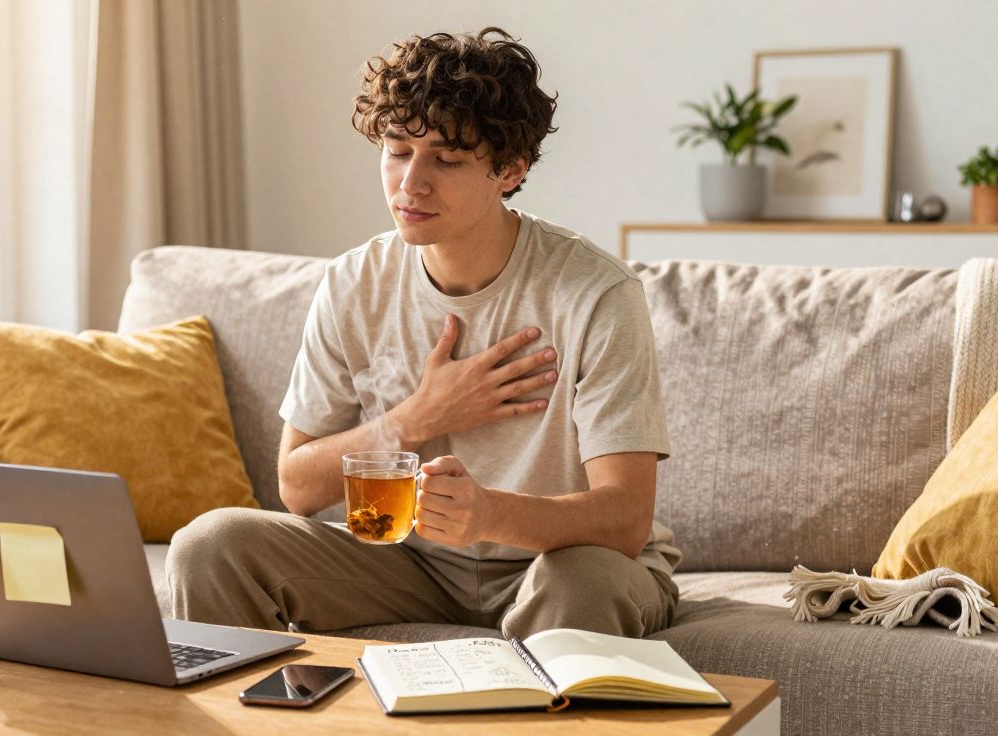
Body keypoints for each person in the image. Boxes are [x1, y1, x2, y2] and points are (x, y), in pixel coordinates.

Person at [168, 27, 681, 640]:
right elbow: (297, 488)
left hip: (563, 560)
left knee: (582, 586)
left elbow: (624, 519)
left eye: (447, 158)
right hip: (411, 562)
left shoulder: (596, 293)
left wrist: (488, 513)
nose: (410, 183)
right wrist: (416, 416)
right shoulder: (354, 282)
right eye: (396, 149)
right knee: (212, 545)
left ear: (510, 169)